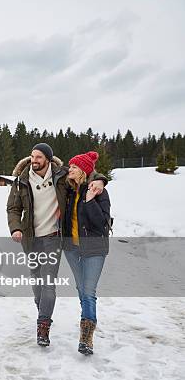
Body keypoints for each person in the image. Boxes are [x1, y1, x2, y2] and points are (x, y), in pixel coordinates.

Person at [6, 143, 107, 347]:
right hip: (30, 238)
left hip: (53, 237)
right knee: (36, 282)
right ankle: (42, 312)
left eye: (39, 157)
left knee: (49, 282)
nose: (34, 160)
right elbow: (13, 208)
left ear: (48, 159)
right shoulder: (21, 181)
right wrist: (15, 228)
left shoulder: (61, 176)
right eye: (32, 156)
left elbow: (85, 173)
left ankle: (43, 326)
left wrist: (100, 180)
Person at [62, 151, 111, 355]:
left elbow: (101, 224)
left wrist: (90, 200)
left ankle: (86, 337)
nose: (69, 169)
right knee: (81, 289)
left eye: (73, 166)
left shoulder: (99, 192)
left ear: (83, 170)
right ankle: (87, 322)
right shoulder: (70, 190)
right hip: (72, 249)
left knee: (89, 292)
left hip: (94, 250)